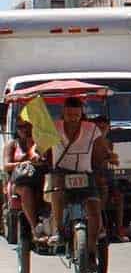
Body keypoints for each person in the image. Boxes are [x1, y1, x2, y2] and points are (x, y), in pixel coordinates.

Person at [42, 97, 105, 257]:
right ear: (63, 112)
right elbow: (40, 146)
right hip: (61, 173)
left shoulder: (91, 128)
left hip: (85, 173)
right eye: (70, 114)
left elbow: (101, 147)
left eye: (76, 115)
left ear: (81, 113)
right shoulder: (53, 127)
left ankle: (91, 248)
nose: (73, 118)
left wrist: (109, 156)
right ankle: (59, 230)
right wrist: (36, 154)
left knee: (94, 208)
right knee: (57, 192)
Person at [92, 113, 126, 243]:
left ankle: (118, 229)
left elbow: (113, 159)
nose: (101, 130)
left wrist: (111, 158)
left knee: (119, 196)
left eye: (104, 127)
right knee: (103, 191)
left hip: (106, 173)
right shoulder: (90, 141)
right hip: (92, 173)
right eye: (98, 127)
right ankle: (99, 224)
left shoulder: (107, 142)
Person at [5, 119, 42, 235]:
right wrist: (22, 163)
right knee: (26, 190)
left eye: (26, 126)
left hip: (40, 178)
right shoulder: (12, 145)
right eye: (20, 127)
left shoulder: (39, 143)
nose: (23, 129)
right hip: (19, 181)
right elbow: (6, 166)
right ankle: (34, 227)